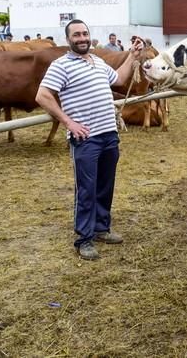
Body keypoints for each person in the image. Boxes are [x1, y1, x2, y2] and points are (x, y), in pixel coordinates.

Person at [35, 19, 144, 261]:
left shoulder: (98, 61)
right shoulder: (60, 65)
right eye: (77, 35)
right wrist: (69, 122)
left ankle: (101, 229)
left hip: (108, 135)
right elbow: (42, 96)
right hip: (85, 139)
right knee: (86, 190)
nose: (82, 38)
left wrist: (132, 56)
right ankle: (84, 239)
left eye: (85, 33)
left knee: (105, 185)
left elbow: (119, 79)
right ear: (68, 39)